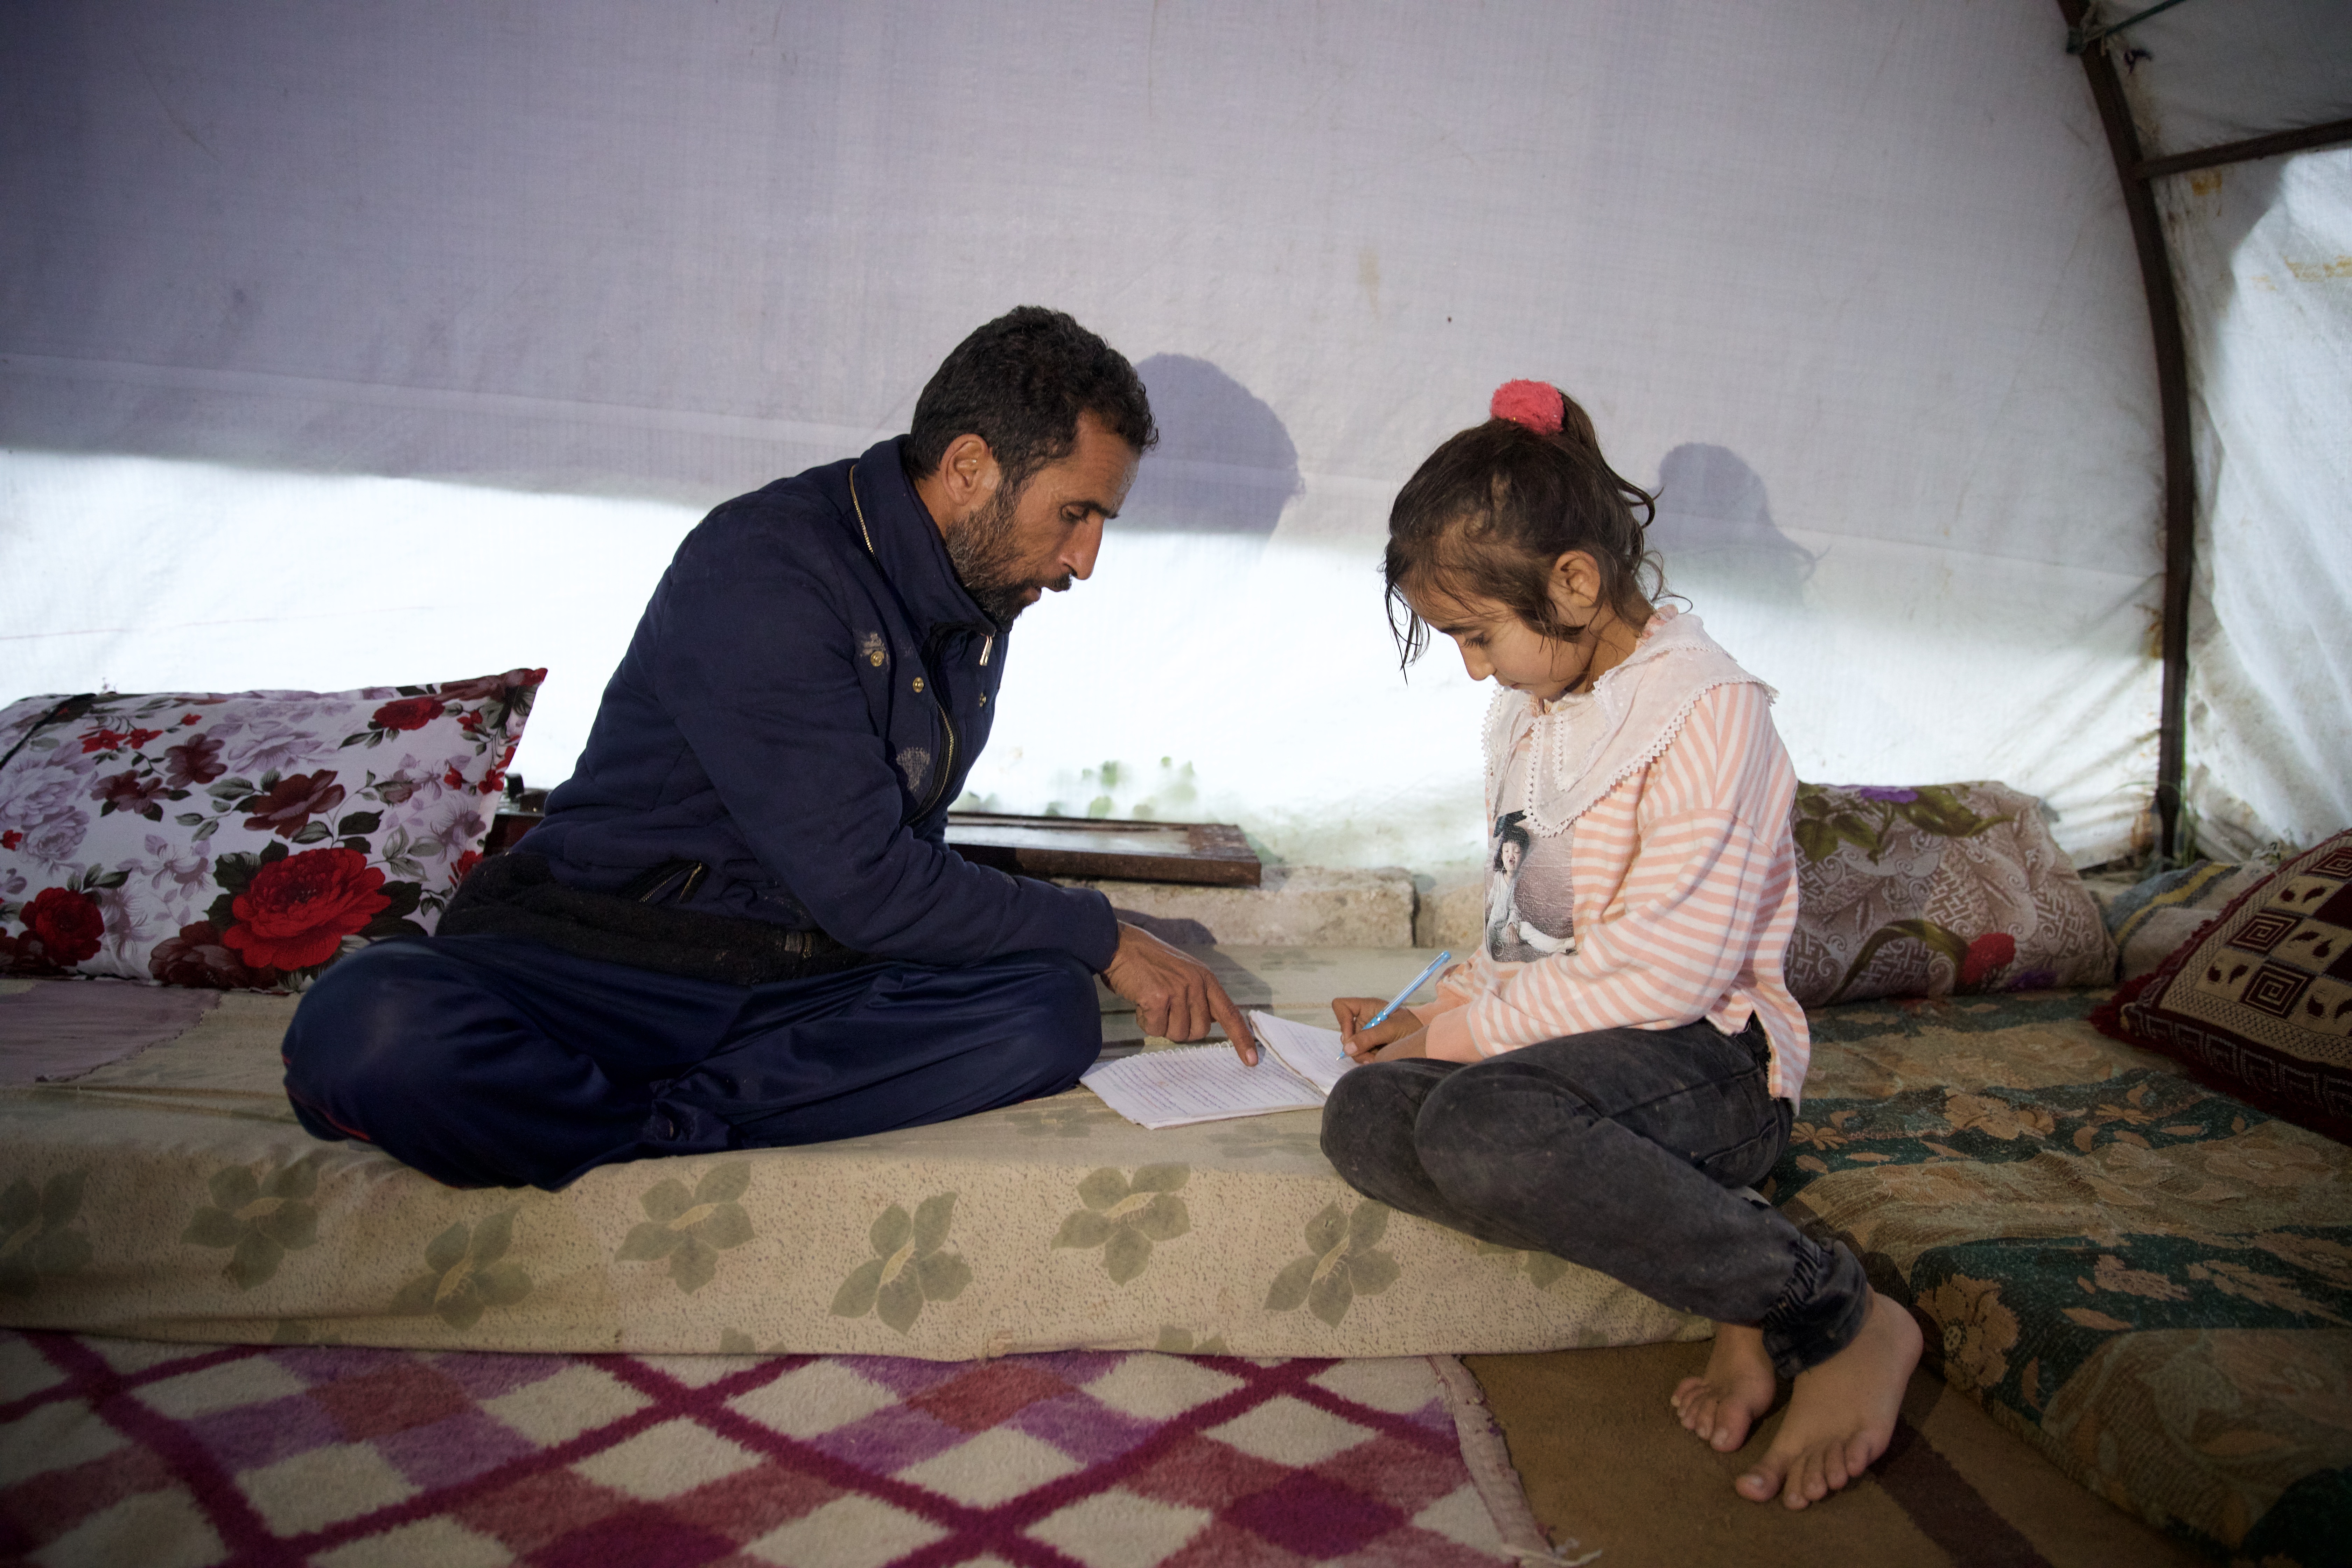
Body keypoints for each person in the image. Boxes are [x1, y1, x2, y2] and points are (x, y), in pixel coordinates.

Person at [282, 307, 1258, 1191]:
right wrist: (1101, 932)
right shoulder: (765, 565)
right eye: (1076, 513)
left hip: (802, 976)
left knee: (1044, 1012)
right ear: (970, 469)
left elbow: (887, 872)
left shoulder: (979, 599)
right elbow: (866, 880)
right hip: (611, 960)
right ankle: (671, 1111)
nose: (1086, 559)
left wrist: (1080, 944)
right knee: (368, 1026)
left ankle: (648, 1124)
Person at [1318, 380, 1920, 1511]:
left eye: (1476, 635)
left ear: (1576, 584)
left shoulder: (1707, 711)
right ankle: (1738, 1274)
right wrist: (1437, 1008)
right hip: (1577, 1060)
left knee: (1484, 1126)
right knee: (1364, 1119)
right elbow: (1527, 935)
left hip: (1708, 1060)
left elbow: (1663, 974)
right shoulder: (1533, 711)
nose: (1472, 667)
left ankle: (1837, 1313)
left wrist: (1461, 1036)